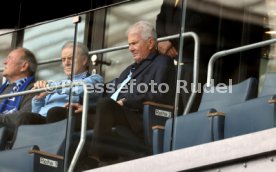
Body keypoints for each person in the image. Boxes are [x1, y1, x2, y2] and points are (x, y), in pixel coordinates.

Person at [87, 20, 176, 167]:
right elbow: (109, 94)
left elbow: (160, 94)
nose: (130, 48)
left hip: (136, 117)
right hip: (112, 111)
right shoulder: (129, 69)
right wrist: (87, 108)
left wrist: (127, 101)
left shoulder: (162, 62)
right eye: (129, 44)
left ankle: (96, 157)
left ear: (151, 43)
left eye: (134, 43)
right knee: (61, 114)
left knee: (105, 105)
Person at [156, 0, 219, 112]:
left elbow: (201, 21)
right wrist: (162, 40)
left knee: (190, 107)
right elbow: (160, 18)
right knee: (172, 108)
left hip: (192, 61)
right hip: (171, 62)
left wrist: (172, 41)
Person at [31, 41, 103, 130]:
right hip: (44, 122)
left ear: (84, 60)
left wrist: (50, 87)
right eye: (63, 59)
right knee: (25, 118)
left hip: (64, 120)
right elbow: (36, 112)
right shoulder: (57, 85)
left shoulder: (95, 79)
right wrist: (38, 99)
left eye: (70, 58)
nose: (66, 63)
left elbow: (80, 88)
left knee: (54, 112)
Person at [0, 47, 38, 139]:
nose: (5, 62)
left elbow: (23, 118)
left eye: (10, 58)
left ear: (24, 66)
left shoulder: (34, 89)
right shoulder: (2, 88)